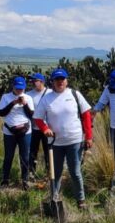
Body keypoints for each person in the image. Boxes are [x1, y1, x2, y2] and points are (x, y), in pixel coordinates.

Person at [33, 68, 93, 208]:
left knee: (75, 171)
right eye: (57, 80)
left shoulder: (74, 94)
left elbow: (86, 115)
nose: (60, 82)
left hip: (75, 140)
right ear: (52, 82)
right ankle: (55, 198)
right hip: (55, 143)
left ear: (66, 81)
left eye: (62, 79)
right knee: (56, 172)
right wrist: (45, 129)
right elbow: (38, 118)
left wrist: (89, 137)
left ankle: (81, 200)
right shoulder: (47, 98)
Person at [0, 76, 35, 188]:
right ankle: (5, 179)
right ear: (13, 87)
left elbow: (31, 115)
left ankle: (25, 180)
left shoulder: (28, 98)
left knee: (24, 156)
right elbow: (2, 113)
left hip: (25, 131)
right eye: (17, 88)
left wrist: (24, 104)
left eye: (21, 88)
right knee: (8, 156)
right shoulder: (5, 97)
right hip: (9, 131)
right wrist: (13, 103)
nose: (19, 91)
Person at [26, 72, 49, 178]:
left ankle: (49, 171)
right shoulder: (28, 95)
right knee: (33, 151)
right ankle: (31, 171)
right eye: (33, 81)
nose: (33, 83)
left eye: (36, 81)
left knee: (48, 151)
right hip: (34, 128)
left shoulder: (50, 93)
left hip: (47, 128)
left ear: (42, 81)